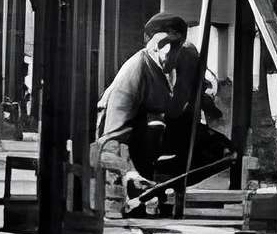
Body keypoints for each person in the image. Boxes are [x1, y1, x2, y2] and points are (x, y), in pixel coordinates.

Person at [93, 12, 232, 215]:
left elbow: (193, 107)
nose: (167, 51)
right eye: (161, 44)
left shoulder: (188, 57)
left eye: (174, 45)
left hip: (166, 127)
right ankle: (144, 182)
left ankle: (166, 180)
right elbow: (110, 139)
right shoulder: (133, 74)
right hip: (131, 136)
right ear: (149, 45)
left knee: (224, 151)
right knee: (154, 126)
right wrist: (128, 171)